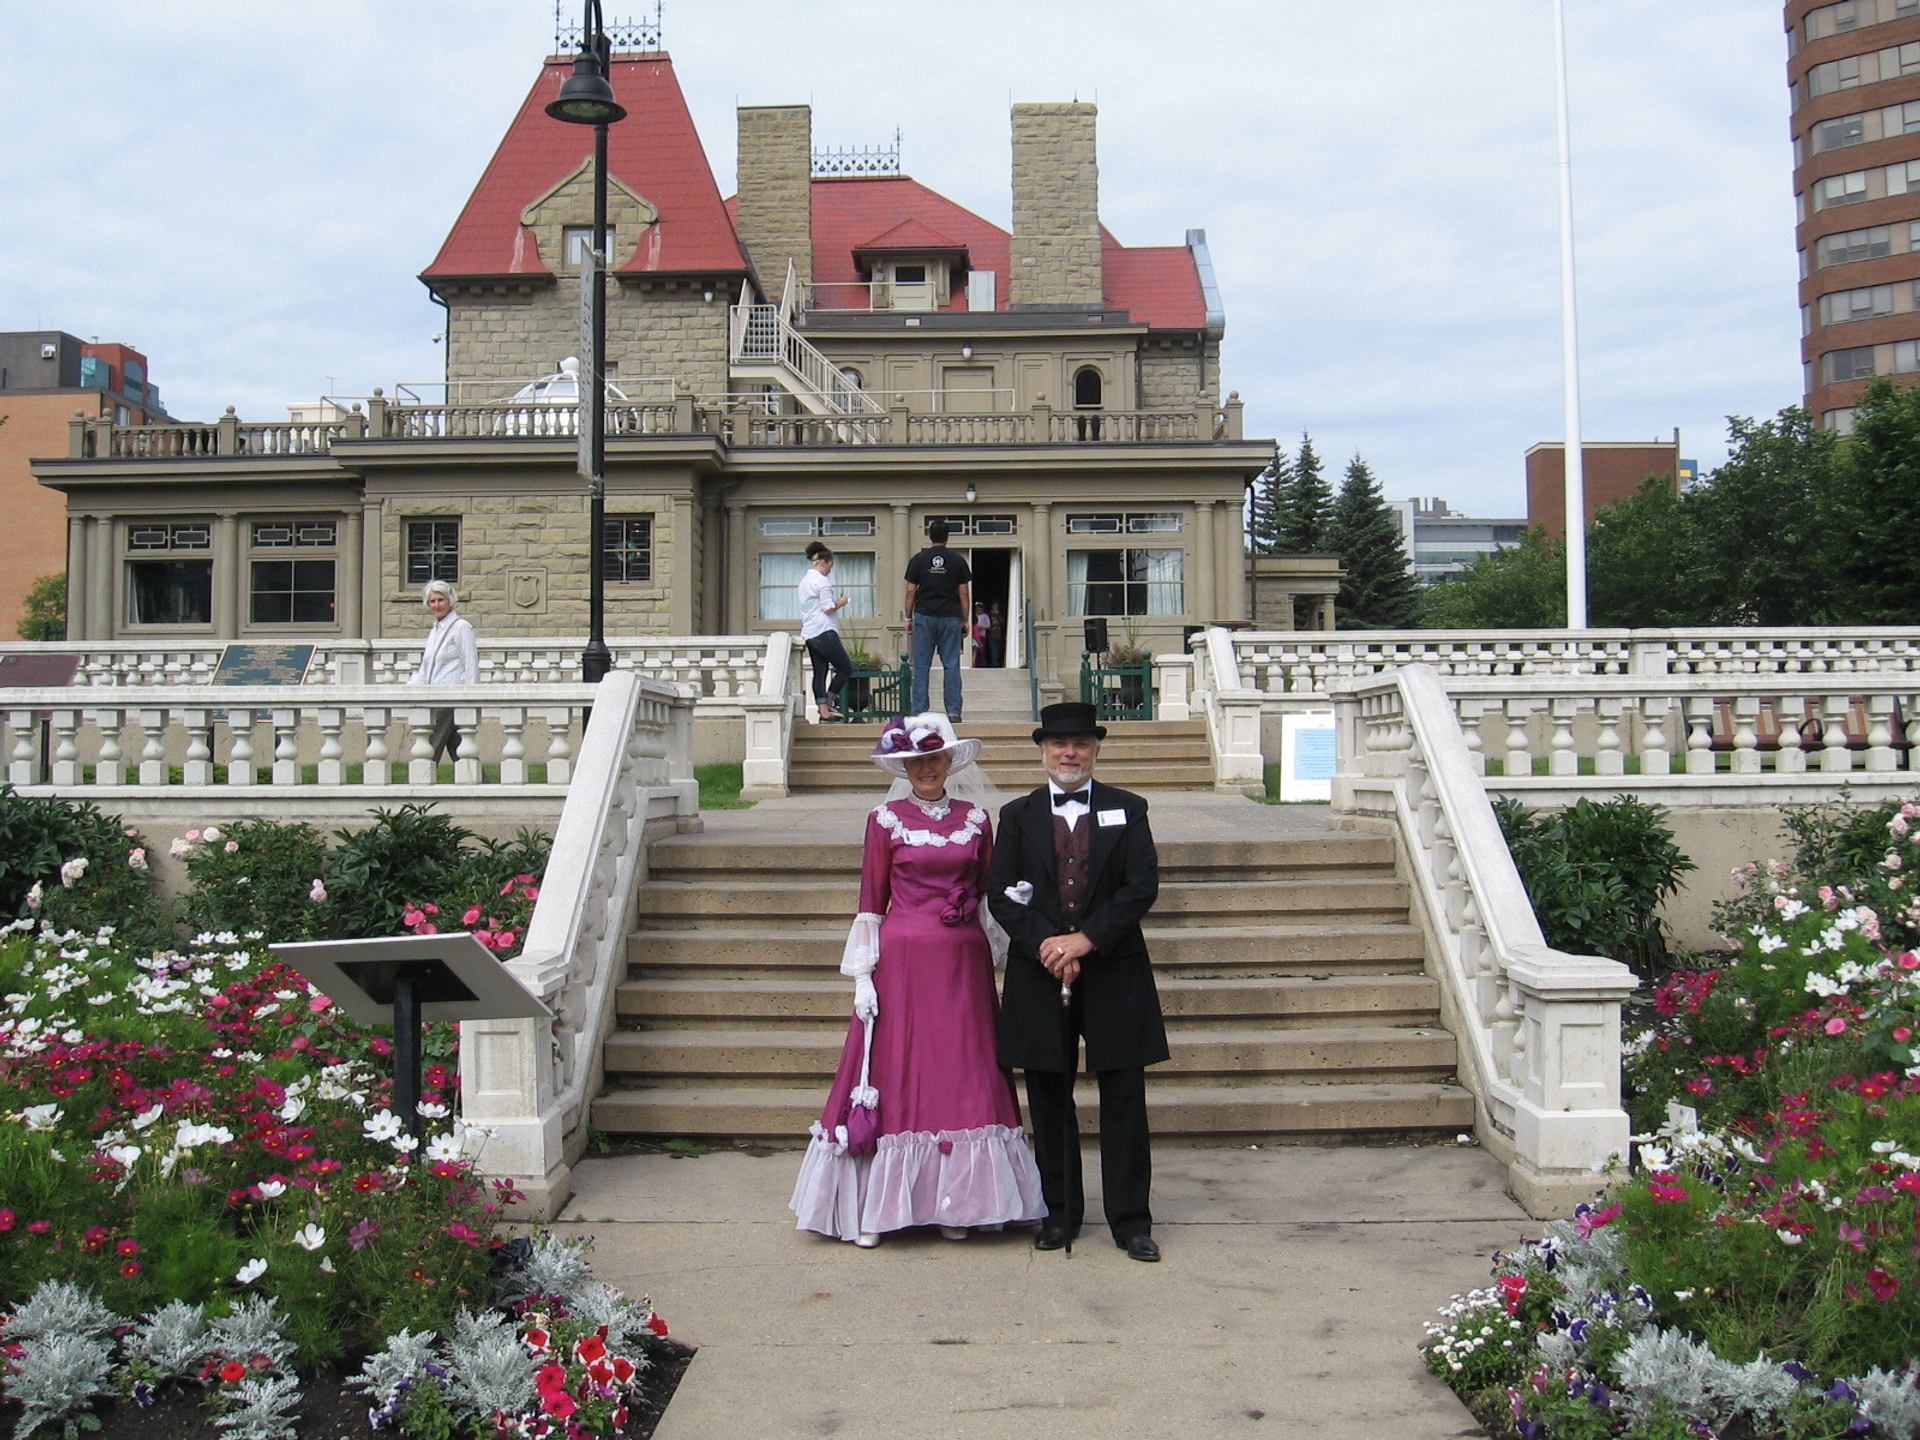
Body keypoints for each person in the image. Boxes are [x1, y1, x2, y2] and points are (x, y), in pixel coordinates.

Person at [790, 713, 1046, 1247]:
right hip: (903, 963)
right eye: (916, 761)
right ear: (904, 767)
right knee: (901, 1068)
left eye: (934, 758)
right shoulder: (883, 820)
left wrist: (1007, 904)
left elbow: (986, 890)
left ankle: (962, 1203)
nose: (926, 768)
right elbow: (871, 901)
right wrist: (863, 975)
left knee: (962, 1067)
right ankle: (881, 1205)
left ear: (951, 761)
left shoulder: (977, 819)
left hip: (962, 962)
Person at [987, 700, 1167, 1262]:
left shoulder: (1128, 809)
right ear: (1043, 751)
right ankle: (1059, 1213)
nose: (1070, 753)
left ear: (1095, 750)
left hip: (1114, 969)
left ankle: (1131, 1221)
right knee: (1048, 1095)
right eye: (1060, 744)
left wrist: (1086, 939)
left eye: (1081, 744)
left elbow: (1140, 887)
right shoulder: (1016, 816)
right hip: (1040, 973)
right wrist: (1048, 944)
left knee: (1123, 1096)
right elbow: (1002, 893)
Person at [903, 520, 971, 721]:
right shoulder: (957, 560)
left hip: (924, 616)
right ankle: (953, 711)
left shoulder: (919, 560)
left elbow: (910, 591)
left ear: (929, 535)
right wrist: (965, 619)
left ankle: (920, 710)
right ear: (947, 536)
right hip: (950, 616)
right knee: (951, 664)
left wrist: (908, 616)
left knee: (921, 665)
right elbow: (964, 593)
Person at [407, 579, 478, 763]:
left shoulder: (461, 627)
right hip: (434, 696)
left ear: (450, 601)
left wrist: (472, 699)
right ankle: (479, 785)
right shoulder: (435, 630)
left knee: (428, 748)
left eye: (441, 600)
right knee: (462, 752)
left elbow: (471, 664)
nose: (436, 605)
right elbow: (427, 667)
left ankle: (418, 784)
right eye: (432, 601)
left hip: (450, 699)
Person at [797, 540, 854, 721]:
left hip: (809, 631)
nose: (830, 570)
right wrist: (843, 601)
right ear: (823, 562)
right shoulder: (822, 582)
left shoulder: (805, 581)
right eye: (830, 565)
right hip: (824, 630)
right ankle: (830, 701)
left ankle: (823, 710)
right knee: (845, 667)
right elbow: (828, 607)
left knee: (819, 672)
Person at [987, 602, 1006, 668]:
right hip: (991, 635)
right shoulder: (989, 614)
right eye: (994, 605)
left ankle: (997, 663)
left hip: (999, 635)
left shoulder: (1000, 615)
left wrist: (998, 615)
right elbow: (987, 624)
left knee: (998, 650)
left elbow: (1003, 623)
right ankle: (994, 664)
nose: (995, 607)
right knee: (993, 650)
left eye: (996, 606)